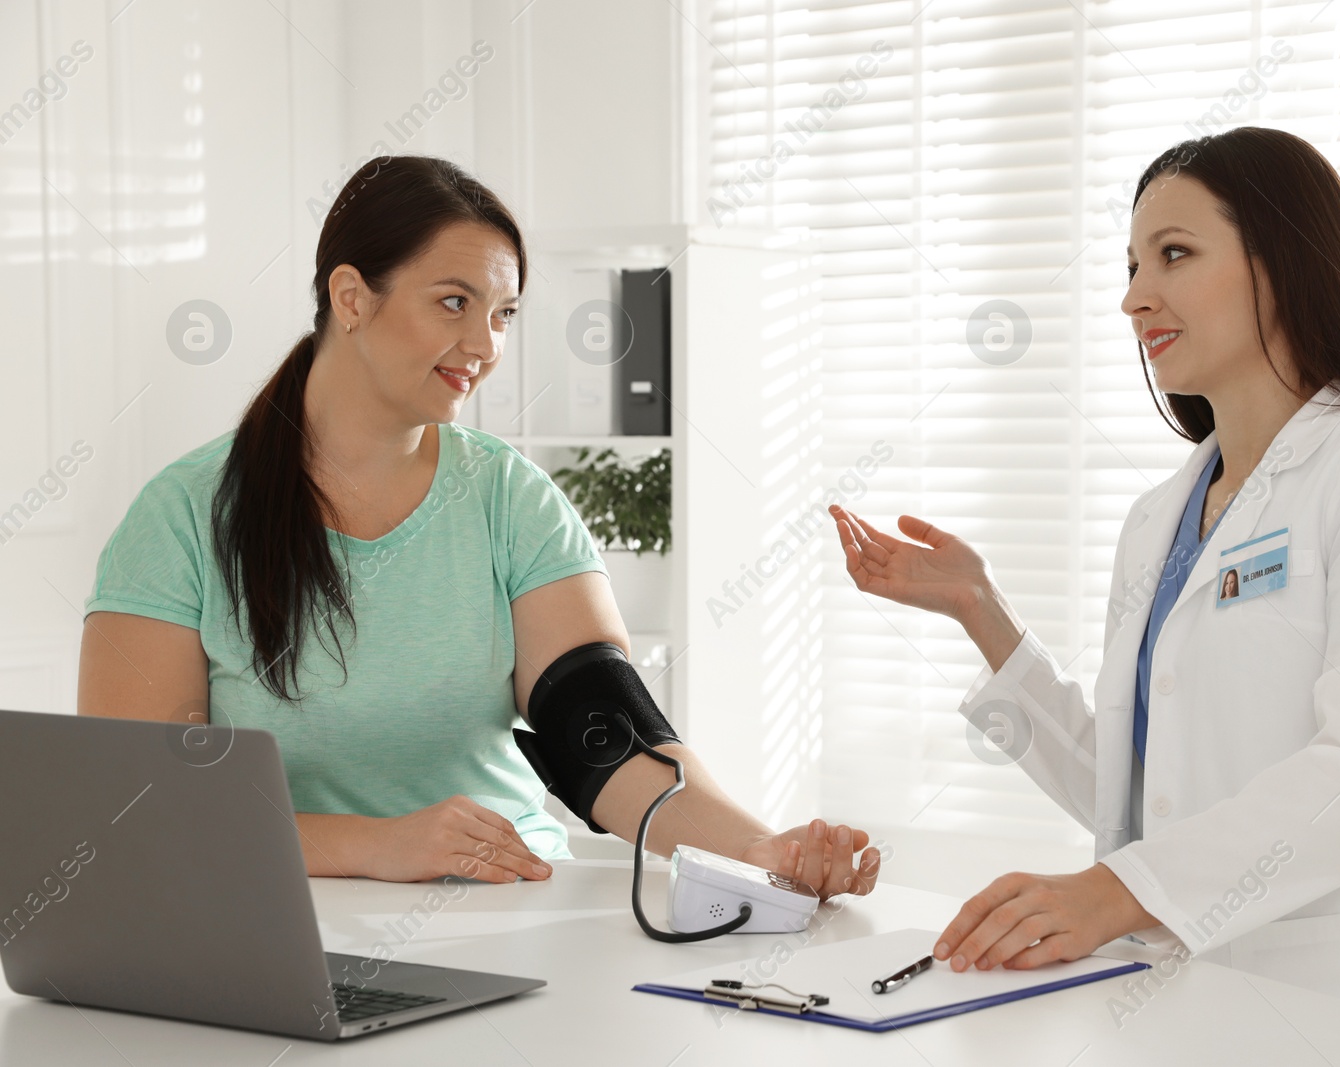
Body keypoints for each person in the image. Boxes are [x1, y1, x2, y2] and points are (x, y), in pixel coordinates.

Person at [830, 126, 1340, 1054]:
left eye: (1174, 254)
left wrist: (1112, 895)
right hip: (1204, 1008)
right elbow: (1140, 801)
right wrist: (982, 613)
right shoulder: (1160, 518)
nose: (1133, 297)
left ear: (1281, 262)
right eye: (1131, 265)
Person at [79, 155, 878, 904]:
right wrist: (374, 844)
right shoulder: (183, 518)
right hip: (268, 925)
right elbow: (140, 805)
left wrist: (762, 851)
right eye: (454, 302)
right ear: (351, 297)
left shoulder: (511, 500)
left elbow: (603, 735)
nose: (485, 345)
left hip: (507, 916)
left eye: (504, 314)